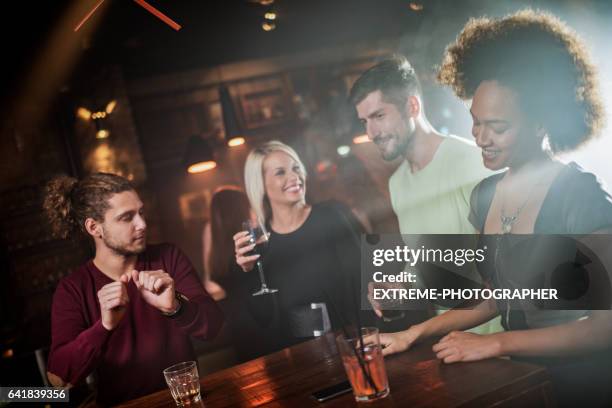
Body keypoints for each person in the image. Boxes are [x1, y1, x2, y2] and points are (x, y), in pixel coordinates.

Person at [379, 10, 612, 406]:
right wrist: (415, 333)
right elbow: (494, 298)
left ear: (541, 124)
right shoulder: (485, 195)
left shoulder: (581, 197)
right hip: (519, 380)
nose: (480, 137)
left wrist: (495, 343)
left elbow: (605, 328)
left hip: (584, 386)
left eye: (498, 127)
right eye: (474, 122)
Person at [43, 173, 223, 406]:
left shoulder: (168, 257)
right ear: (94, 227)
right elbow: (58, 379)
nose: (142, 224)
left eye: (141, 212)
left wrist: (175, 307)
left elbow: (214, 327)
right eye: (127, 217)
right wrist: (104, 327)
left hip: (185, 402)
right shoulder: (73, 289)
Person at [350, 56, 501, 334]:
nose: (371, 132)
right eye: (364, 121)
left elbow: (510, 274)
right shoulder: (398, 183)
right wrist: (399, 289)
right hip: (451, 343)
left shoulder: (472, 162)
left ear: (412, 106)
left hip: (502, 341)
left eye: (379, 116)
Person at [233, 141, 363, 356]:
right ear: (261, 185)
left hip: (354, 345)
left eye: (296, 168)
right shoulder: (261, 247)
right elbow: (263, 320)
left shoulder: (333, 214)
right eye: (280, 173)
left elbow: (368, 278)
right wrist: (248, 273)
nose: (294, 177)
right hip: (301, 358)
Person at [202, 186, 251, 300]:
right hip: (245, 296)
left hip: (222, 295)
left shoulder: (209, 229)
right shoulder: (249, 228)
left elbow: (208, 275)